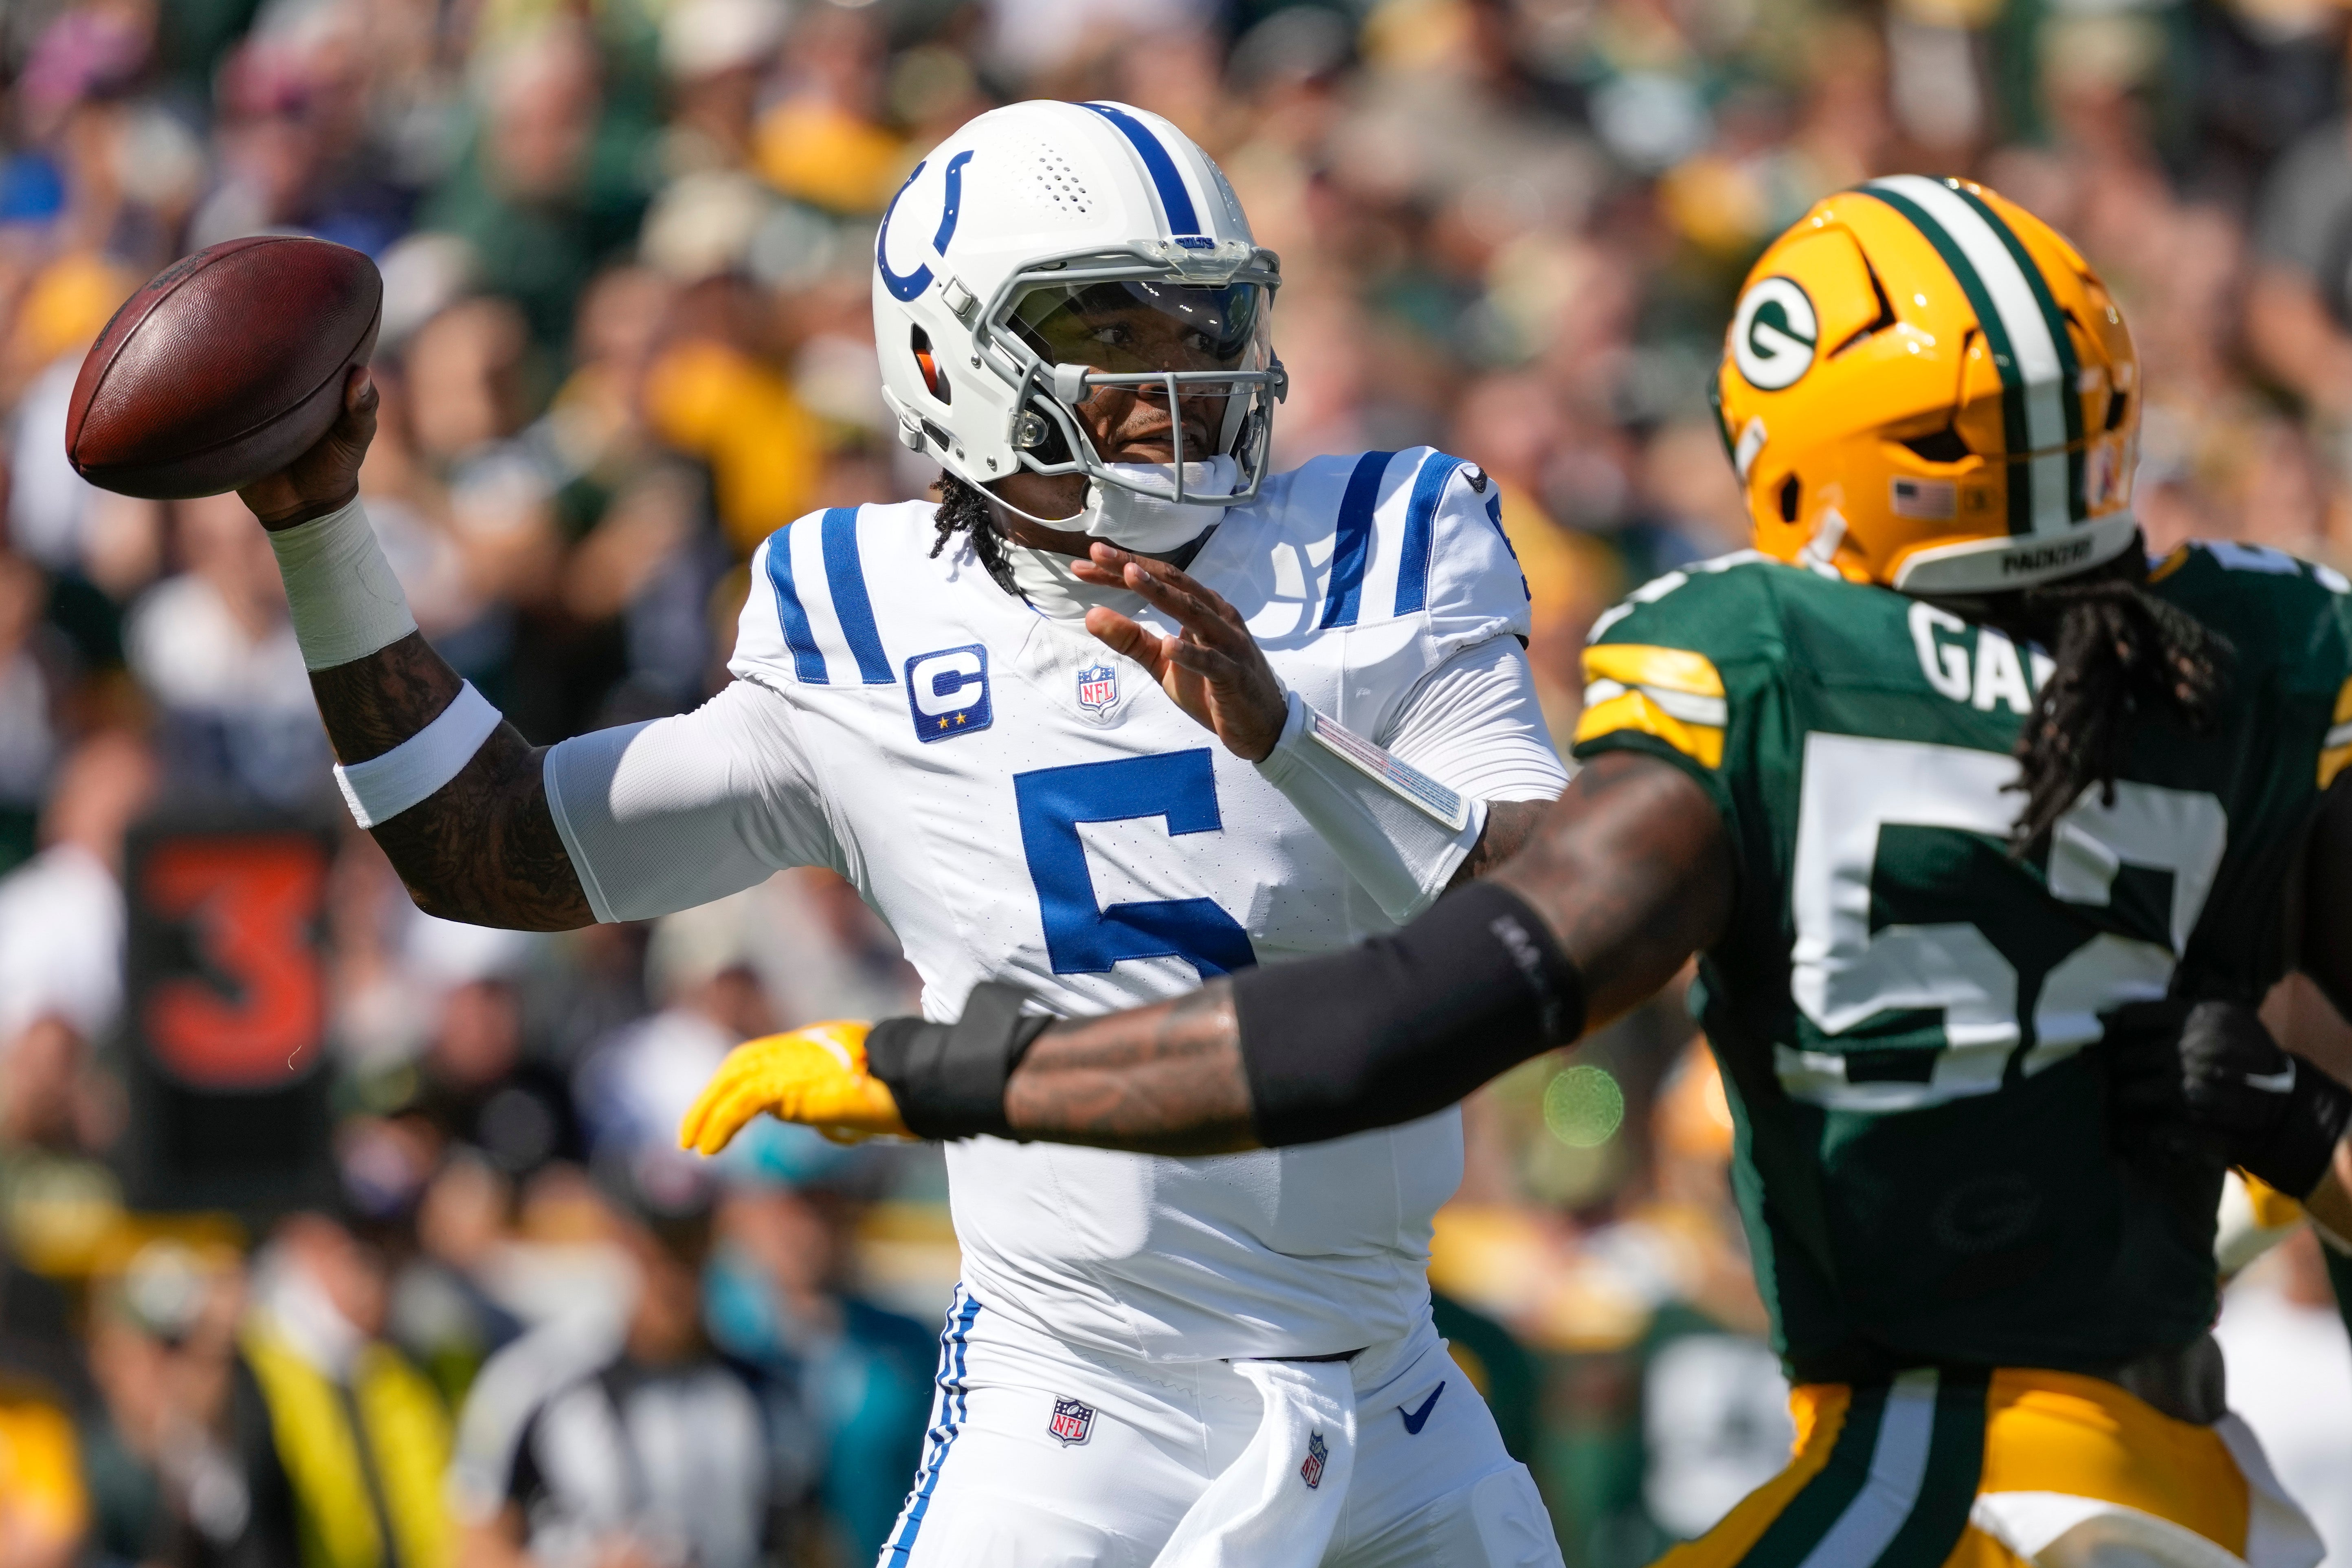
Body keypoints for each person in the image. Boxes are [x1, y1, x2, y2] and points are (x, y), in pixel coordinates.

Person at [697, 178, 2352, 1567]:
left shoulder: (1761, 669)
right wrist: (2288, 1120)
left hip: (1925, 1479)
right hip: (2211, 1480)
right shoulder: (2268, 650)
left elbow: (1406, 1021)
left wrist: (950, 1069)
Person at [230, 101, 1566, 1565]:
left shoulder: (1387, 538)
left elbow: (1572, 908)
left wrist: (1291, 741)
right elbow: (492, 845)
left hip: (1391, 1396)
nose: (1177, 368)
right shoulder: (864, 619)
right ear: (948, 363)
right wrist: (321, 533)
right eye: (1108, 330)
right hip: (1075, 1410)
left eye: (1198, 316)